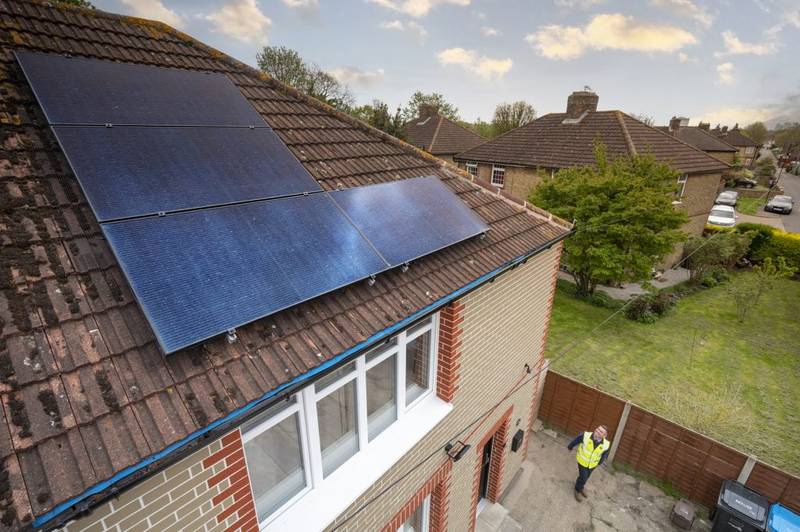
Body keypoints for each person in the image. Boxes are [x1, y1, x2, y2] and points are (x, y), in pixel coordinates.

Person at [567, 425, 611, 501]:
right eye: (598, 429)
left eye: (601, 431)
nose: (597, 431)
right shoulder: (585, 435)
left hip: (593, 464)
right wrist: (570, 447)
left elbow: (605, 454)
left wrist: (600, 462)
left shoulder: (606, 444)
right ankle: (577, 490)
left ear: (604, 435)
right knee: (583, 477)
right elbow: (576, 440)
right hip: (582, 461)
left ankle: (581, 487)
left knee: (586, 477)